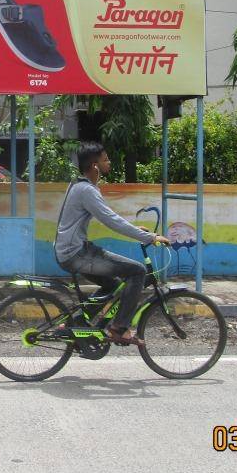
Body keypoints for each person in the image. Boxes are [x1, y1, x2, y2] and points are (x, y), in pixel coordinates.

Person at [54, 142, 170, 346]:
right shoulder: (86, 190)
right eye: (105, 159)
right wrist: (149, 237)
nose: (109, 162)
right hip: (76, 253)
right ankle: (119, 328)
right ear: (95, 166)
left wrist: (136, 229)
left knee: (113, 284)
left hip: (72, 251)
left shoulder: (80, 186)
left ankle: (78, 321)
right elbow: (111, 220)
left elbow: (109, 215)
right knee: (137, 271)